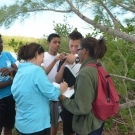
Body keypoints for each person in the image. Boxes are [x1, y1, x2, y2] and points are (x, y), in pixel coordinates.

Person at [11, 43, 68, 135]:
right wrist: (63, 87)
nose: (43, 60)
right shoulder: (36, 70)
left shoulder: (20, 71)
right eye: (42, 56)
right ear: (36, 54)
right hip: (36, 126)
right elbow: (53, 94)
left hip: (21, 124)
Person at [59, 37, 107, 135]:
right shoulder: (99, 66)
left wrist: (63, 99)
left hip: (88, 125)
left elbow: (81, 108)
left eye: (78, 49)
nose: (76, 51)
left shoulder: (85, 72)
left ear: (84, 51)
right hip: (98, 119)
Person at [55, 31, 83, 135]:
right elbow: (57, 80)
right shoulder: (64, 59)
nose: (74, 49)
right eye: (71, 46)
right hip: (66, 99)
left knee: (80, 129)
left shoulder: (84, 60)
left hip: (80, 101)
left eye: (77, 46)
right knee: (67, 128)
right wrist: (63, 66)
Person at [41, 33, 65, 135]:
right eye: (54, 42)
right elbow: (43, 73)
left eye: (59, 42)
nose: (57, 44)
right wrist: (55, 60)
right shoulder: (43, 56)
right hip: (44, 94)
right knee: (45, 119)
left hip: (56, 94)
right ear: (48, 43)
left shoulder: (62, 58)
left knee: (55, 121)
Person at [0, 34, 18, 135]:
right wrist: (12, 81)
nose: (1, 45)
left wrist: (10, 69)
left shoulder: (7, 55)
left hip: (10, 97)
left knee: (9, 125)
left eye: (1, 42)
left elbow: (17, 69)